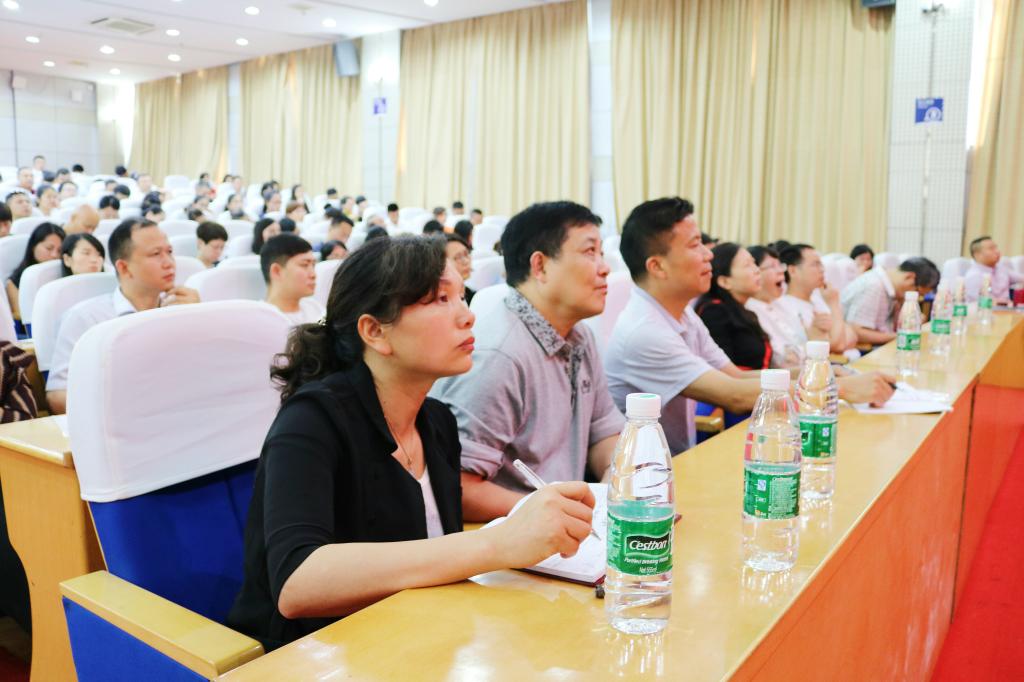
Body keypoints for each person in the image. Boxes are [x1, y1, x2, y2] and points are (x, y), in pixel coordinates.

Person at [227, 235, 595, 650]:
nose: (467, 316)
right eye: (441, 299)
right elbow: (297, 582)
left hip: (414, 635)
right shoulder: (311, 420)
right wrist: (497, 543)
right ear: (375, 331)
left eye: (462, 297)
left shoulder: (436, 421)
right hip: (315, 653)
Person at [604, 198, 895, 455]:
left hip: (679, 459)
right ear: (657, 266)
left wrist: (821, 373)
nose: (708, 254)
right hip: (648, 477)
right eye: (695, 245)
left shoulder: (683, 315)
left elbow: (735, 375)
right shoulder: (645, 332)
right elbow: (733, 394)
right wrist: (837, 389)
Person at [431, 201, 624, 522]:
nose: (604, 268)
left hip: (568, 525)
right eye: (590, 252)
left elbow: (604, 432)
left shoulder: (580, 336)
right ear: (540, 266)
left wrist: (611, 490)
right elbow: (458, 487)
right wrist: (559, 511)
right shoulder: (498, 355)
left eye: (601, 253)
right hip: (506, 534)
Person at [45, 219, 200, 414]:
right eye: (155, 254)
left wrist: (197, 321)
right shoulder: (87, 318)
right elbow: (57, 397)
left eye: (169, 252)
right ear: (124, 268)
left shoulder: (182, 308)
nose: (169, 263)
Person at [695, 243, 772, 370]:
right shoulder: (714, 312)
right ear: (725, 281)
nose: (757, 270)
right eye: (747, 265)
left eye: (754, 263)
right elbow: (722, 372)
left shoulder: (746, 312)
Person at [841, 258, 939, 346]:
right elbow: (857, 332)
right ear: (909, 277)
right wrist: (900, 336)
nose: (917, 298)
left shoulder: (891, 288)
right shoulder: (874, 286)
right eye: (917, 292)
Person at [777, 244, 856, 353]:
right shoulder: (785, 307)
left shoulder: (818, 299)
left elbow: (852, 336)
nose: (822, 270)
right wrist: (833, 304)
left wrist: (836, 339)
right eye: (815, 264)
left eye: (821, 264)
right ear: (792, 271)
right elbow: (838, 346)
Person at [745, 245, 805, 368]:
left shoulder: (783, 303)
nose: (781, 271)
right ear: (755, 271)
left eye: (780, 265)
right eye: (772, 266)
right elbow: (781, 359)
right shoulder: (749, 309)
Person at [6, 223, 65, 321]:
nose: (55, 255)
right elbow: (23, 318)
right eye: (49, 248)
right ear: (33, 246)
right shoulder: (14, 283)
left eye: (59, 251)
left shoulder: (64, 275)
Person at [261, 234, 323, 326]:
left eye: (313, 265)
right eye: (304, 265)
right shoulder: (259, 318)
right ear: (277, 271)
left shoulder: (316, 309)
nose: (313, 275)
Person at [964, 236, 1022, 304]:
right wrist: (1007, 303)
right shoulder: (974, 275)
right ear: (977, 254)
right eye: (991, 248)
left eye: (996, 248)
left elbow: (1021, 278)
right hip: (988, 309)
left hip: (1007, 308)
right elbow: (977, 301)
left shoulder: (1001, 268)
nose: (997, 251)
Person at [444, 234, 474, 305]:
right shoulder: (442, 305)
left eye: (466, 254)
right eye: (458, 257)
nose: (466, 261)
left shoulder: (474, 297)